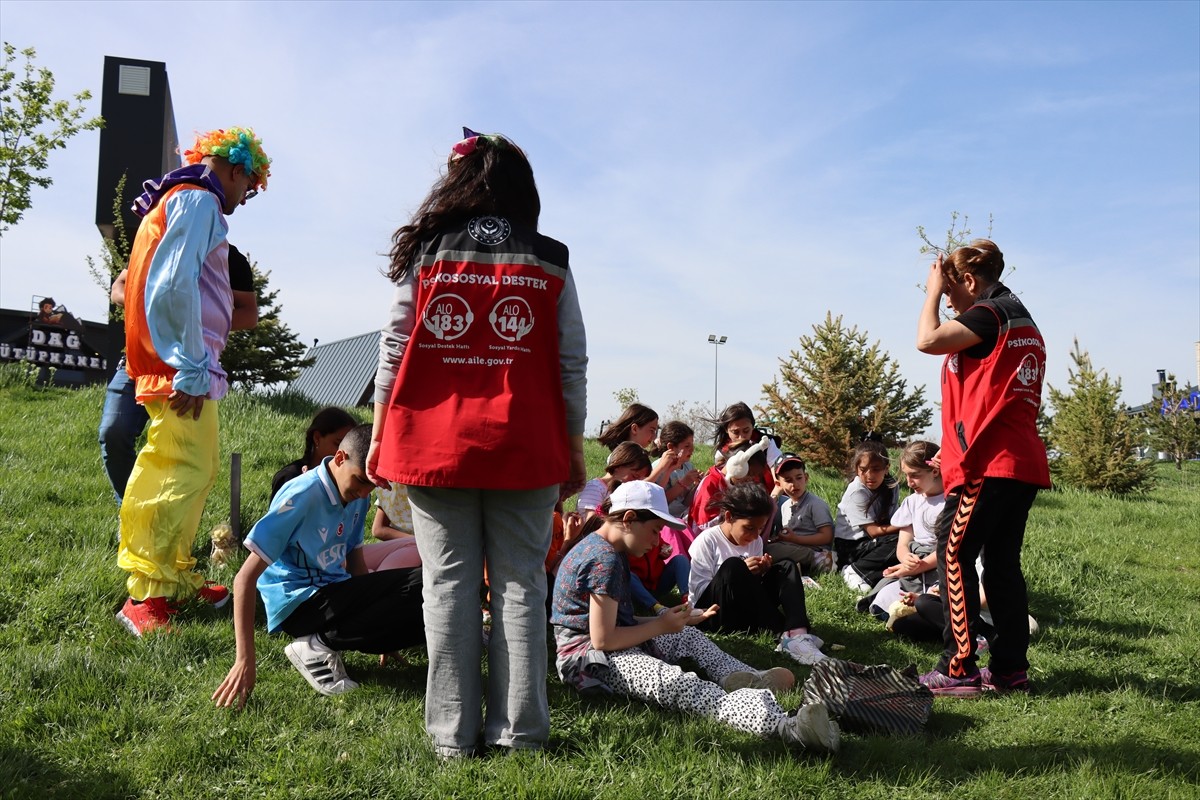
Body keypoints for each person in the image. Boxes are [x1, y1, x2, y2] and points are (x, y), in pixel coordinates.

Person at [367, 128, 588, 757]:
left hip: (433, 447)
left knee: (448, 587)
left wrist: (381, 435)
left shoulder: (430, 253)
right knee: (522, 586)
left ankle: (450, 738)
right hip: (526, 445)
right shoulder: (551, 258)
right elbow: (571, 361)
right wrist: (574, 450)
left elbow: (394, 345)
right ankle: (519, 736)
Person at [115, 127, 271, 637]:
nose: (247, 198)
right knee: (176, 473)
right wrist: (188, 365)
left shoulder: (182, 201)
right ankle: (147, 598)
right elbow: (172, 283)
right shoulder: (198, 201)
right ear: (234, 167)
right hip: (182, 369)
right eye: (250, 186)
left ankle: (172, 577)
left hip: (183, 365)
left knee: (193, 471)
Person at [550, 481, 839, 754]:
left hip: (602, 648)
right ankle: (786, 726)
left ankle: (747, 677)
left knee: (686, 635)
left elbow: (612, 624)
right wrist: (660, 625)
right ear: (627, 519)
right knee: (680, 685)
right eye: (655, 530)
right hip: (589, 663)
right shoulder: (605, 559)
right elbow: (603, 639)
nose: (658, 540)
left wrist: (669, 622)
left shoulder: (606, 549)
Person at [915, 239, 1050, 696]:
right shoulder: (1019, 319)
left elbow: (927, 340)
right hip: (1018, 461)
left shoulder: (991, 313)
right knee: (1002, 566)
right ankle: (1011, 669)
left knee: (952, 555)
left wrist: (932, 291)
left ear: (969, 282)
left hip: (990, 466)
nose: (949, 304)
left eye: (952, 293)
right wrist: (950, 450)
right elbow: (993, 396)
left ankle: (959, 668)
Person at [212, 425, 425, 708]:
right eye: (361, 481)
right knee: (423, 582)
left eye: (371, 485)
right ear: (339, 458)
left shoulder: (356, 497)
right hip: (299, 603)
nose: (364, 493)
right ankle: (315, 645)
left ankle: (322, 641)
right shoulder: (301, 495)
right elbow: (244, 579)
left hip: (334, 591)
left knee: (435, 599)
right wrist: (244, 660)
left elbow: (356, 562)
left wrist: (386, 630)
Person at [100, 245, 259, 505]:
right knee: (113, 433)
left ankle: (161, 526)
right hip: (138, 362)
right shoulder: (158, 241)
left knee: (178, 457)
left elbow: (249, 314)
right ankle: (129, 510)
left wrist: (195, 321)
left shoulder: (230, 257)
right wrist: (148, 304)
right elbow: (119, 287)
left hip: (190, 370)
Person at [688, 484, 827, 665]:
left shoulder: (755, 541)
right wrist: (739, 573)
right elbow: (699, 593)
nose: (755, 535)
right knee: (733, 566)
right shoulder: (707, 541)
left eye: (760, 529)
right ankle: (781, 632)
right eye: (749, 528)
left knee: (786, 566)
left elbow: (751, 591)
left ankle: (798, 632)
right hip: (713, 615)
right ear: (729, 517)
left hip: (746, 613)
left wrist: (761, 572)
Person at [859, 441, 945, 619]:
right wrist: (906, 560)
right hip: (915, 561)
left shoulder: (950, 502)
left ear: (935, 471)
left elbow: (947, 549)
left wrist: (918, 567)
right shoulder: (913, 501)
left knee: (931, 598)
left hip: (939, 564)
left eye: (915, 475)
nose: (909, 482)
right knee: (882, 600)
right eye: (906, 475)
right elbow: (903, 543)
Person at [832, 440, 900, 593]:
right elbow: (873, 531)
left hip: (876, 540)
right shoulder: (857, 491)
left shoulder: (891, 485)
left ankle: (876, 574)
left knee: (907, 543)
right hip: (851, 545)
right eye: (863, 469)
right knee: (898, 540)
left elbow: (892, 518)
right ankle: (855, 570)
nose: (869, 476)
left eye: (876, 469)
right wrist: (908, 525)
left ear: (886, 468)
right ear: (856, 469)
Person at [766, 453, 835, 574]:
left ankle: (819, 559)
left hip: (814, 549)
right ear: (778, 484)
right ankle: (797, 568)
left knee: (769, 550)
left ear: (806, 478)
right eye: (788, 480)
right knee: (768, 548)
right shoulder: (785, 506)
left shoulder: (816, 504)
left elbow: (827, 537)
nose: (795, 484)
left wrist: (795, 539)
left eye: (799, 478)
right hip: (795, 547)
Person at [270, 406, 357, 500]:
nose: (345, 453)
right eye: (338, 444)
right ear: (317, 438)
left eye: (351, 448)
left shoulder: (347, 485)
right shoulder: (291, 477)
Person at [576, 441, 652, 521]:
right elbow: (591, 521)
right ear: (618, 464)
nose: (636, 482)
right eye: (634, 476)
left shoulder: (623, 493)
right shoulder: (595, 488)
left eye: (640, 480)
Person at [650, 421, 702, 519]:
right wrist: (684, 482)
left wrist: (698, 484)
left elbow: (685, 501)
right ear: (671, 447)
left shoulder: (688, 466)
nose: (692, 449)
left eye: (692, 445)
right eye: (687, 446)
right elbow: (660, 501)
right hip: (666, 518)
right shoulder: (659, 468)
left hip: (683, 515)